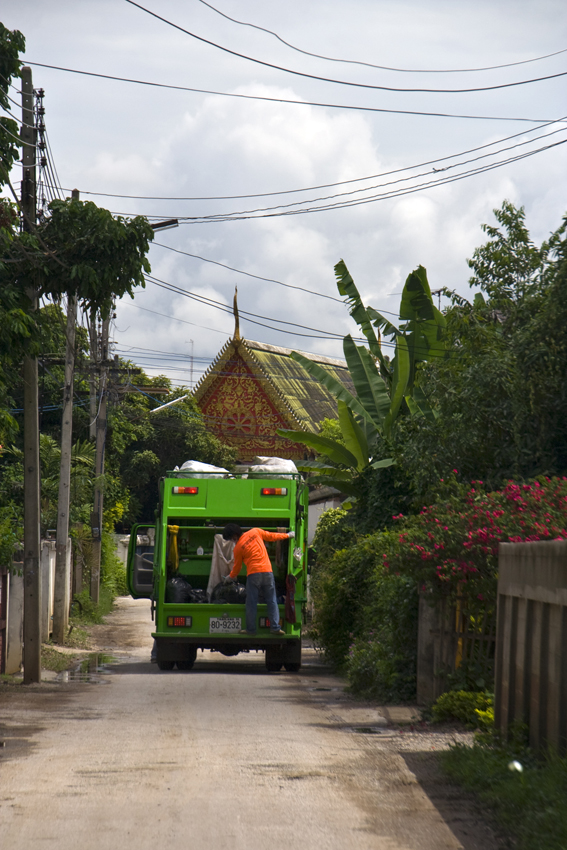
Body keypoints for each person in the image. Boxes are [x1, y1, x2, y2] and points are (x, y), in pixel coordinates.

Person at [222, 523, 294, 635]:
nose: (232, 541)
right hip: (267, 572)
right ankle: (275, 628)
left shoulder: (237, 548)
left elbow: (237, 568)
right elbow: (272, 536)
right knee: (272, 600)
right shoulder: (255, 532)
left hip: (253, 574)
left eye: (231, 539)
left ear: (234, 536)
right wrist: (288, 536)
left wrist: (229, 578)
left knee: (251, 602)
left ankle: (251, 630)